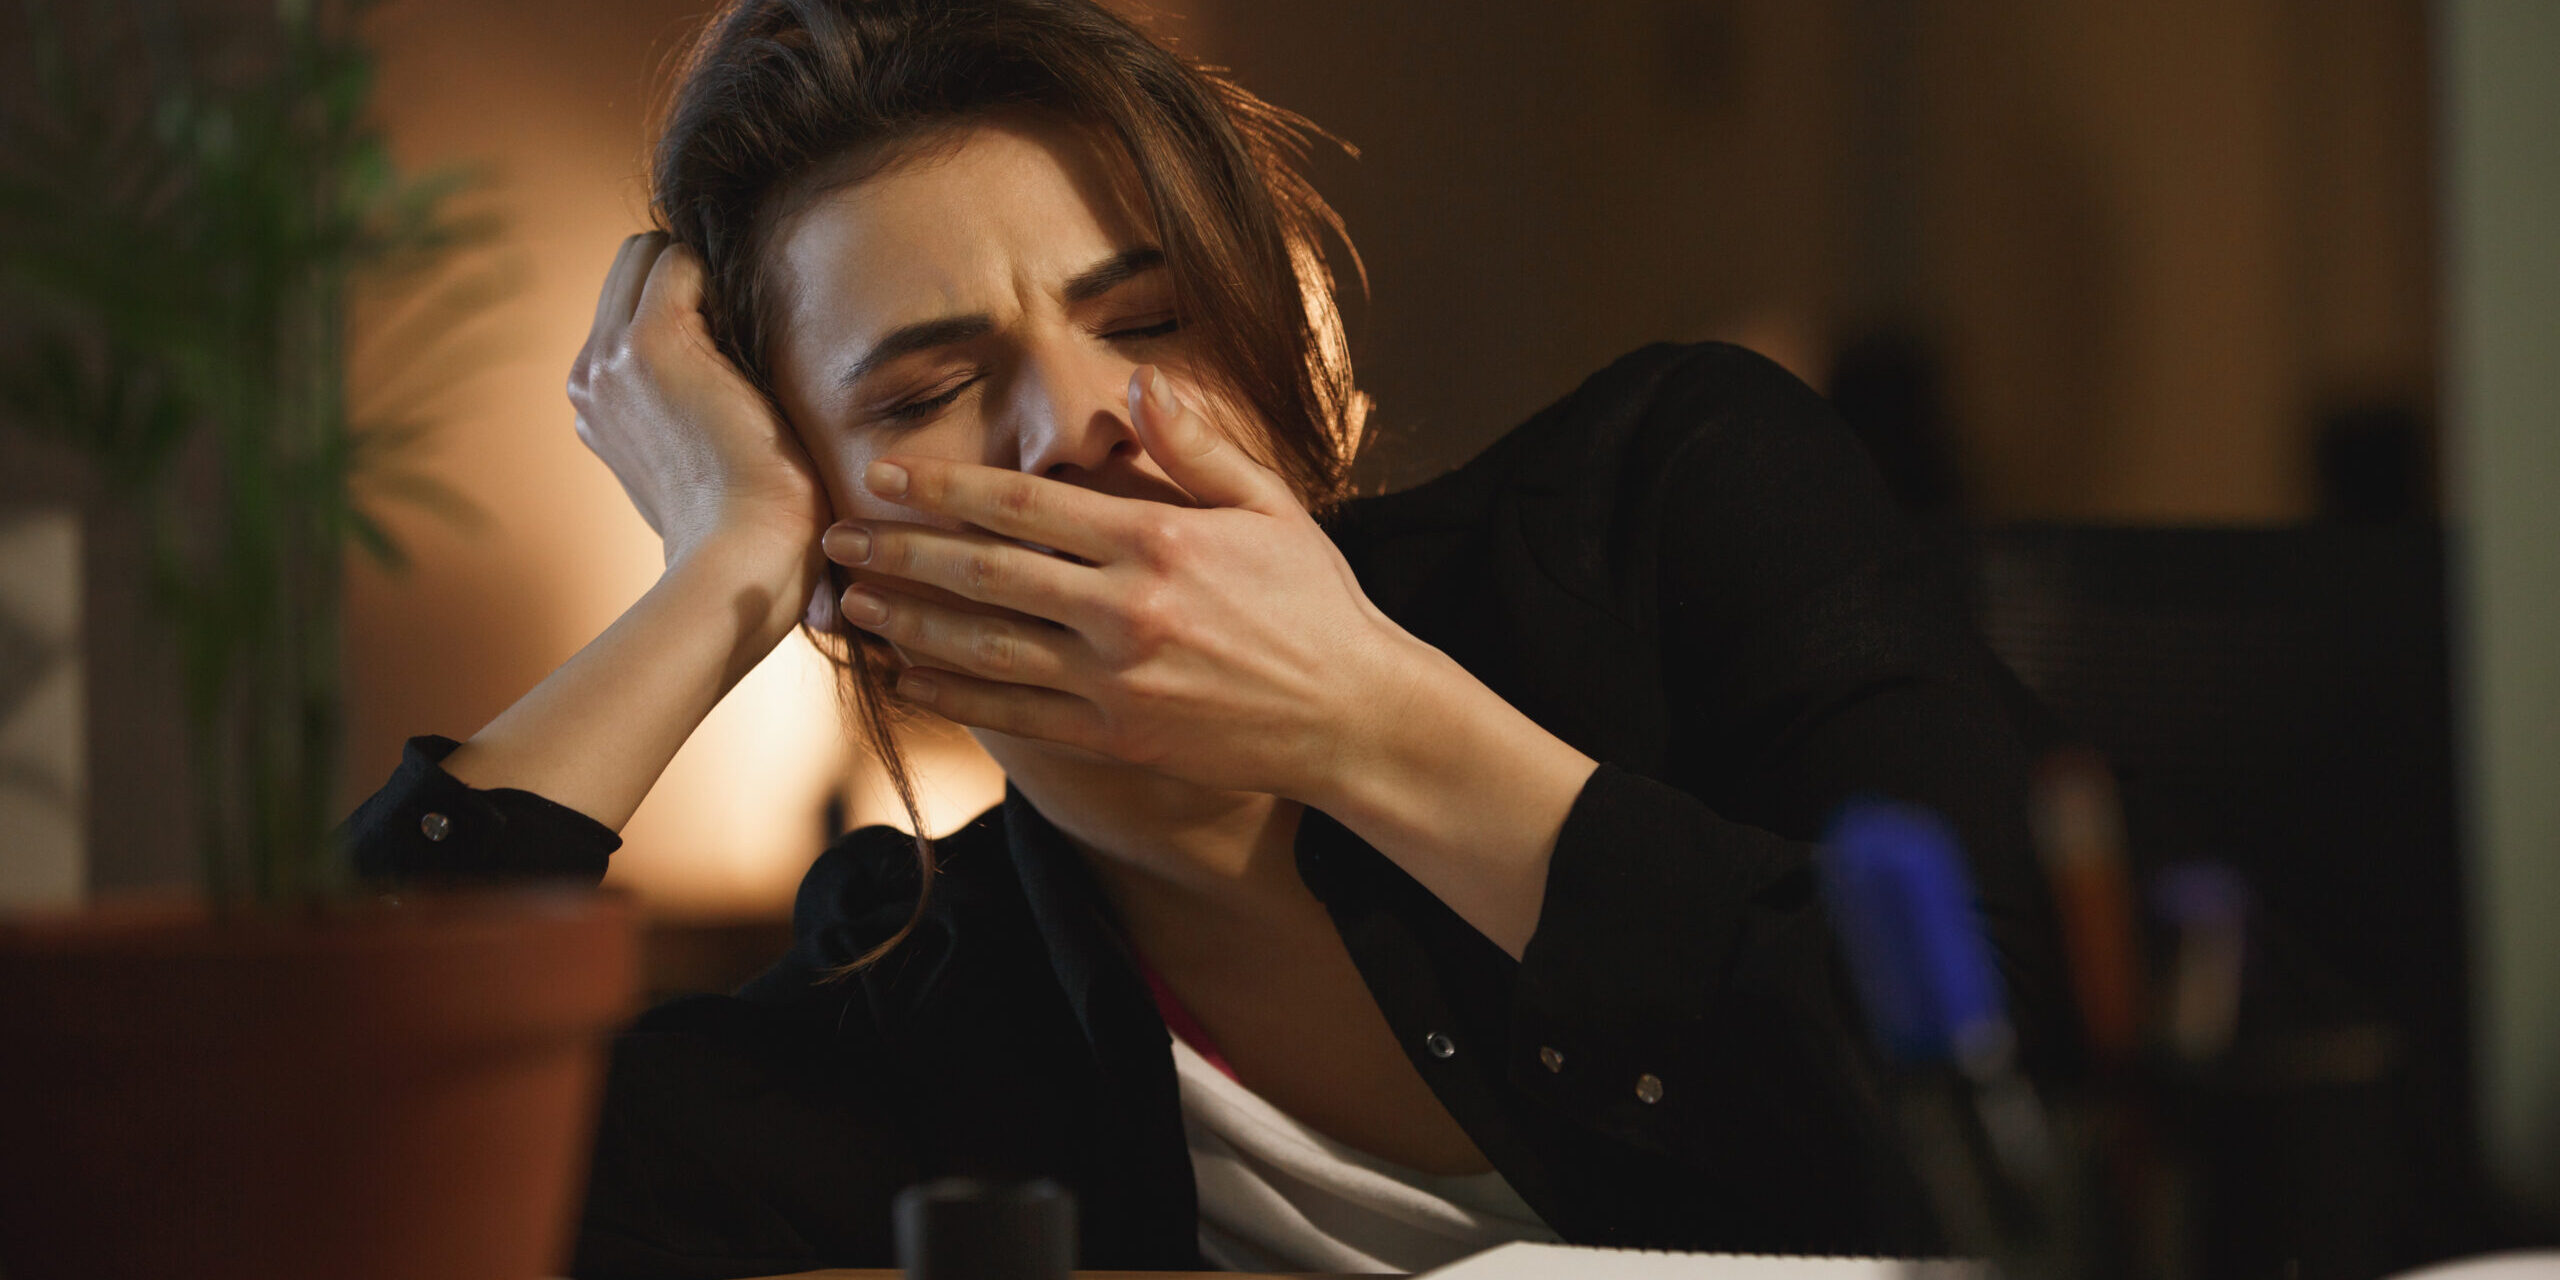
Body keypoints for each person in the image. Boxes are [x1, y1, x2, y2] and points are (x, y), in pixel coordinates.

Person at [346, 0, 2073, 1274]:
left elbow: (2069, 1128)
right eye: (934, 389)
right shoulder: (922, 1005)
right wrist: (713, 577)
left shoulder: (1669, 507)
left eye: (1149, 319)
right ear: (829, 528)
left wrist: (1374, 728)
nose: (1079, 419)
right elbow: (333, 1166)